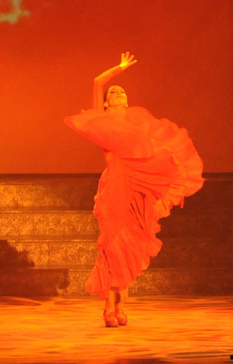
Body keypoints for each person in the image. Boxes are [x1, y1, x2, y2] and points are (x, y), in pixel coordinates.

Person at [65, 52, 204, 327]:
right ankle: (107, 307)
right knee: (112, 246)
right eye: (113, 92)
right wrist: (119, 69)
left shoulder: (135, 124)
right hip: (114, 187)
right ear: (106, 104)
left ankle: (120, 306)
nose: (117, 92)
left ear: (126, 102)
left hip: (137, 188)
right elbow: (97, 82)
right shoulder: (104, 123)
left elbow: (153, 149)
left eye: (121, 91)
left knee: (128, 247)